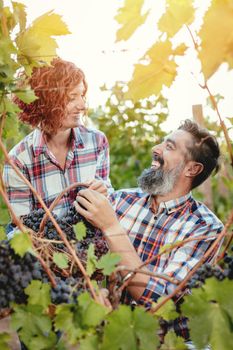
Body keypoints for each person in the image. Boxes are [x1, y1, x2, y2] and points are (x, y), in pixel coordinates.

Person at [74, 119, 223, 332]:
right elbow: (85, 260)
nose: (156, 149)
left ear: (191, 168)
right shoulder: (120, 200)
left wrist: (112, 228)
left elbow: (161, 302)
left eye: (169, 147)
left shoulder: (205, 229)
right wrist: (92, 290)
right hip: (114, 336)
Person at [3, 58, 112, 226]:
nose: (82, 105)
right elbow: (23, 228)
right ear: (46, 101)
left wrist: (105, 192)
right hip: (48, 249)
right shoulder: (19, 160)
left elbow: (108, 200)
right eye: (72, 97)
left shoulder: (97, 142)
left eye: (82, 95)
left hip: (90, 248)